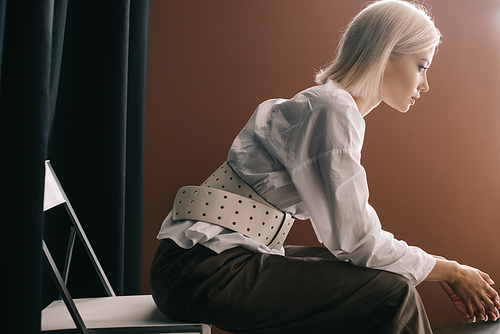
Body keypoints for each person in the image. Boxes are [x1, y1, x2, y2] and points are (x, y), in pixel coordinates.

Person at [150, 0, 500, 333]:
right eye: (421, 66)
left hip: (204, 262)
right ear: (386, 54)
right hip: (200, 270)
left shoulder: (329, 106)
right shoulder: (333, 111)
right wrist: (451, 271)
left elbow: (352, 246)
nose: (425, 84)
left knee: (381, 283)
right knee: (391, 295)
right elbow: (359, 242)